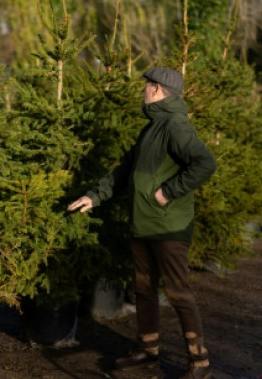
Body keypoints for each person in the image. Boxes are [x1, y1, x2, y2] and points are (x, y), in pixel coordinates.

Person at [68, 66, 217, 379]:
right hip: (143, 223)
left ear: (158, 89)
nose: (142, 90)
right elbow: (124, 171)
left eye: (146, 85)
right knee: (143, 288)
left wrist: (168, 192)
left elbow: (205, 163)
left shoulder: (175, 125)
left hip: (168, 226)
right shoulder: (152, 127)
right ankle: (147, 351)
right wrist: (94, 197)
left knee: (177, 291)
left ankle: (199, 360)